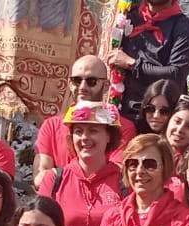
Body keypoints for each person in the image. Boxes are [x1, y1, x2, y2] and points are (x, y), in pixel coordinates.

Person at [107, 0, 189, 118]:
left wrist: (131, 64)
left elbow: (175, 74)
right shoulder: (125, 15)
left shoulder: (185, 27)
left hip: (159, 119)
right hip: (118, 114)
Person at [45, 103, 124, 226]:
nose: (84, 137)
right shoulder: (54, 179)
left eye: (93, 131)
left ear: (109, 136)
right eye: (78, 131)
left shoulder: (125, 180)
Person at [32, 56, 136, 184]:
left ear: (106, 86)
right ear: (70, 84)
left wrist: (58, 177)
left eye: (91, 81)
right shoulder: (51, 125)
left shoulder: (121, 126)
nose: (82, 87)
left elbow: (118, 177)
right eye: (76, 80)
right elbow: (39, 178)